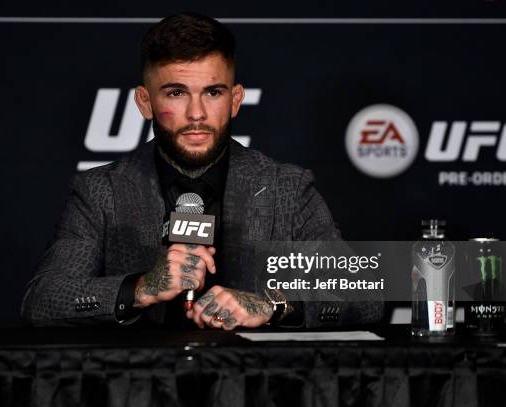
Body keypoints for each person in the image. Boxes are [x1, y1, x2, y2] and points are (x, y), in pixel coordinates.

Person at [21, 13, 383, 329]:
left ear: (236, 100)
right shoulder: (102, 191)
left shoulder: (285, 188)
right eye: (176, 93)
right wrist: (142, 287)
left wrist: (270, 305)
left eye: (212, 93)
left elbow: (364, 295)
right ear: (145, 102)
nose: (196, 114)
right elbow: (43, 300)